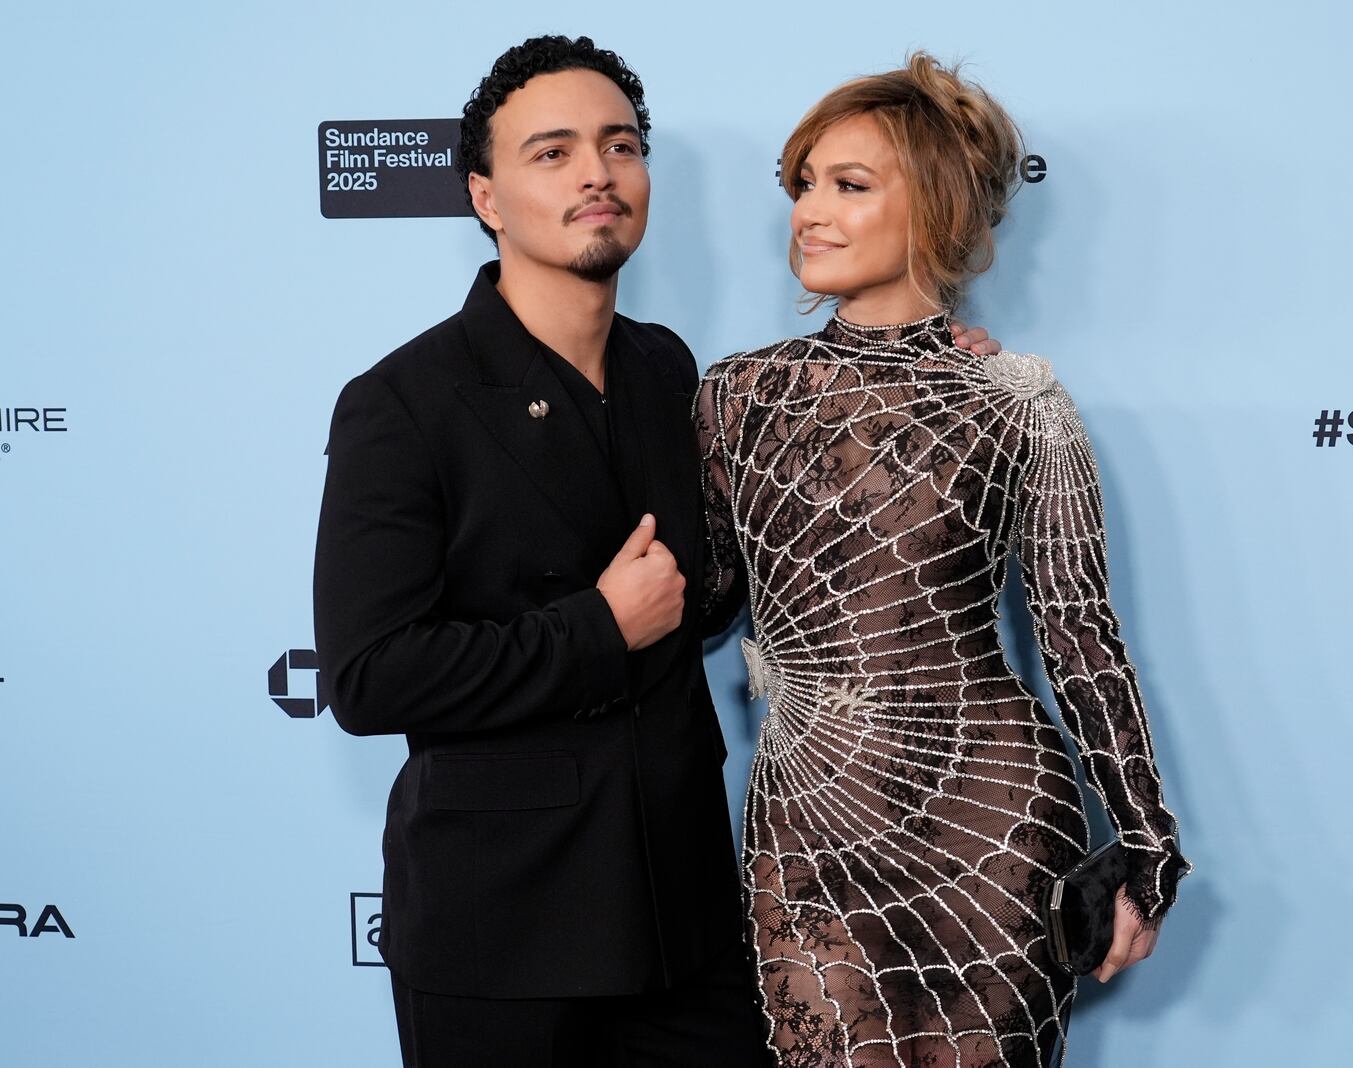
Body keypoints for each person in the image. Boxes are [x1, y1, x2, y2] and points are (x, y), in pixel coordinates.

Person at [313, 35, 999, 1067]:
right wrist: (596, 629)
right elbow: (368, 679)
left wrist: (903, 392)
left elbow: (711, 586)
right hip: (501, 938)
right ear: (486, 198)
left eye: (620, 145)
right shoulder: (402, 405)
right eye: (552, 153)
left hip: (686, 931)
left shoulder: (666, 370)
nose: (597, 172)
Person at [694, 54, 1190, 1066]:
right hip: (804, 825)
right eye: (803, 184)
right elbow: (701, 606)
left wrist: (1147, 847)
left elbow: (1078, 633)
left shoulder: (1017, 398)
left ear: (939, 207)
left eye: (849, 184)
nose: (808, 212)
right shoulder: (731, 396)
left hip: (991, 820)